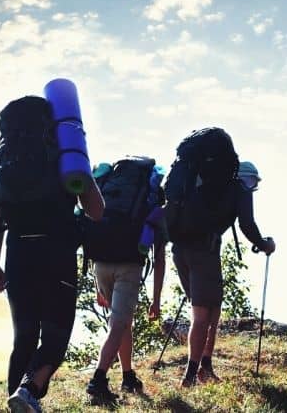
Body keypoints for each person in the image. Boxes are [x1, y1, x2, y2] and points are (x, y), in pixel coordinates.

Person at [0, 96, 104, 413]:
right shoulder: (66, 163)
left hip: (18, 255)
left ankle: (18, 400)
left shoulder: (6, 168)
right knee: (55, 337)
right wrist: (82, 170)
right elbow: (96, 211)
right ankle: (27, 391)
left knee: (23, 338)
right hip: (57, 255)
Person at [171, 160, 275, 387]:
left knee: (213, 310)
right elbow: (247, 224)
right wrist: (264, 245)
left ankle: (205, 366)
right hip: (204, 253)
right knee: (201, 317)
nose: (251, 187)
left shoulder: (203, 185)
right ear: (244, 178)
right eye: (252, 182)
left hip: (180, 250)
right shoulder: (239, 188)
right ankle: (190, 376)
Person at [84, 163, 167, 404]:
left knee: (123, 324)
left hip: (100, 264)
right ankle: (98, 379)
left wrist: (97, 286)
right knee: (118, 324)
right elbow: (159, 258)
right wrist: (157, 299)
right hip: (129, 266)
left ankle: (128, 375)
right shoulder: (152, 203)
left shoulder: (111, 192)